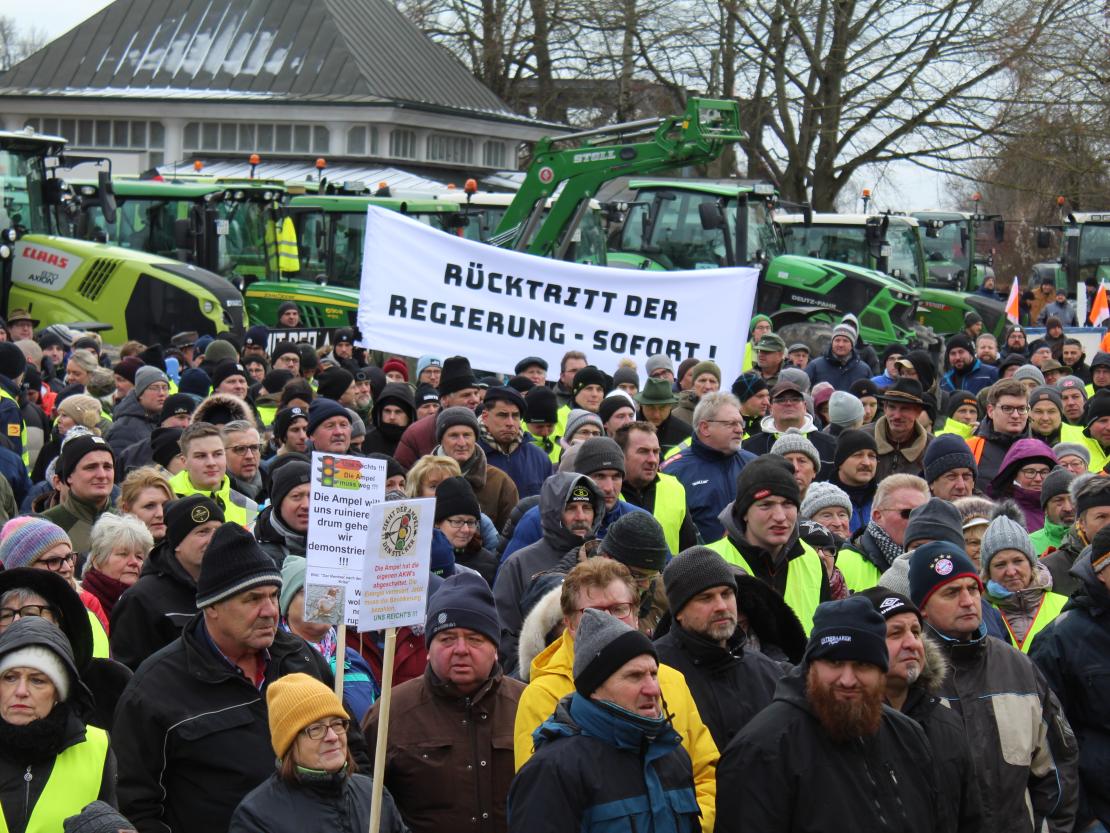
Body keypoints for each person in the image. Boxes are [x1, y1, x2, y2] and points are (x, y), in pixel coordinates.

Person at [112, 523, 336, 833]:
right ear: (212, 606)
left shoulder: (300, 659)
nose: (270, 610)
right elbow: (136, 804)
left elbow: (351, 748)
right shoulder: (155, 688)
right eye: (252, 599)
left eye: (273, 596)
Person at [512, 558, 718, 828]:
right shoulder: (542, 693)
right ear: (570, 623)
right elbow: (545, 801)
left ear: (635, 613)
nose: (608, 620)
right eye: (593, 612)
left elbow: (705, 773)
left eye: (619, 609)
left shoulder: (671, 680)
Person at [714, 596, 939, 833]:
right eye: (834, 662)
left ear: (881, 672)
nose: (847, 679)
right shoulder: (762, 751)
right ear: (811, 667)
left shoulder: (908, 737)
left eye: (863, 665)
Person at [908, 541, 1079, 833]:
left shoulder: (1018, 667)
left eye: (972, 589)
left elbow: (1057, 768)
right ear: (922, 608)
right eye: (951, 592)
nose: (967, 601)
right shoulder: (909, 673)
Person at [363, 573, 522, 833]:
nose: (461, 649)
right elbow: (364, 805)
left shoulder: (528, 705)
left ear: (495, 648)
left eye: (474, 639)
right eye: (447, 639)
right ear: (428, 648)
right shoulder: (390, 714)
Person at [857, 587, 983, 833]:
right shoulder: (846, 724)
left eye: (916, 632)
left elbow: (971, 819)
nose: (912, 643)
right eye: (895, 633)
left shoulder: (946, 722)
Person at [230, 672, 406, 833]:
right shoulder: (257, 816)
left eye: (337, 724)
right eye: (316, 729)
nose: (332, 736)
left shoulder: (372, 793)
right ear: (288, 743)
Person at [654, 546, 785, 749]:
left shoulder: (766, 671)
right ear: (679, 610)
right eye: (706, 598)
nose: (721, 606)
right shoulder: (653, 672)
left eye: (726, 594)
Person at [0, 617, 117, 831]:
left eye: (37, 680)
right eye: (9, 677)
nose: (21, 691)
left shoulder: (96, 746)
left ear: (58, 693)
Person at [1031, 526, 1110, 833]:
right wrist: (1086, 818)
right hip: (1099, 810)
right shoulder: (1060, 638)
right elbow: (1051, 739)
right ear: (1100, 571)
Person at [707, 455, 830, 634]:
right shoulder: (709, 562)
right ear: (744, 513)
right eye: (766, 505)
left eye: (788, 504)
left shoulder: (812, 560)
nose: (780, 516)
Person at [493, 472, 604, 669]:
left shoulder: (605, 560)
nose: (581, 516)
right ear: (553, 512)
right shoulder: (518, 564)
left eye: (586, 508)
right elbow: (504, 634)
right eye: (571, 508)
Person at [108, 495, 224, 670]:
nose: (214, 539)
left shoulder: (230, 587)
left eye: (218, 531)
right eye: (203, 532)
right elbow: (130, 673)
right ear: (177, 543)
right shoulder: (140, 598)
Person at [662, 392, 757, 542]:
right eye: (731, 424)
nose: (740, 430)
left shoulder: (754, 465)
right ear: (705, 428)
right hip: (698, 562)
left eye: (741, 423)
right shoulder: (674, 471)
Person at [980, 512, 1068, 653]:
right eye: (1000, 564)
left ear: (1032, 563)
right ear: (988, 573)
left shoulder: (1065, 606)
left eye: (1018, 561)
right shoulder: (980, 614)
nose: (1011, 571)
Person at [836, 474, 929, 593]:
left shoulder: (939, 560)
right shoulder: (842, 563)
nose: (917, 520)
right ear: (878, 516)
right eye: (908, 513)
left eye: (923, 513)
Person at [615, 422, 696, 554]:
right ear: (621, 454)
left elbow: (688, 549)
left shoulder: (674, 488)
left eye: (656, 452)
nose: (653, 459)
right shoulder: (607, 491)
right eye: (643, 451)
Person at [434, 407, 518, 531]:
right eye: (454, 436)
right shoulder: (422, 478)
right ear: (441, 440)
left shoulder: (500, 482)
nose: (462, 443)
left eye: (467, 435)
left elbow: (509, 538)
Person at [741, 381, 837, 478]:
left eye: (795, 399)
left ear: (804, 406)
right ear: (770, 408)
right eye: (781, 400)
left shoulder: (831, 445)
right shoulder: (749, 447)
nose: (788, 403)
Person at [168, 421, 257, 526]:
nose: (211, 463)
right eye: (201, 456)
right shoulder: (166, 500)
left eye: (217, 454)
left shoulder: (248, 506)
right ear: (184, 461)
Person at [40, 434, 118, 553]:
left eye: (107, 467)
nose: (102, 475)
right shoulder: (46, 526)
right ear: (69, 476)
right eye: (91, 467)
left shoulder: (128, 523)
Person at [477, 386, 553, 499]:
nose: (510, 423)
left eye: (515, 416)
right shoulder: (472, 455)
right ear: (485, 416)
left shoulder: (539, 458)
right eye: (503, 415)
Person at [81, 514, 153, 620]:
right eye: (123, 554)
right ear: (97, 561)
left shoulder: (150, 601)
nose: (134, 562)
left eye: (139, 556)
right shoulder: (81, 602)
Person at [861, 378, 932, 479]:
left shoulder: (931, 447)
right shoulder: (862, 438)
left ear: (918, 412)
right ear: (885, 408)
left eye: (905, 408)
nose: (897, 416)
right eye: (892, 407)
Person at [434, 476, 498, 584]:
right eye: (457, 522)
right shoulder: (423, 561)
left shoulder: (488, 564)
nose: (466, 530)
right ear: (437, 523)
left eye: (470, 522)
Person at [988, 438, 1058, 527]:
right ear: (1015, 475)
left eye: (1044, 472)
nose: (1038, 478)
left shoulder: (1066, 508)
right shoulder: (1001, 515)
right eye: (1030, 472)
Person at [254, 459, 310, 567]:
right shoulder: (256, 552)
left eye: (314, 496)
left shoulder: (338, 546)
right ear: (278, 502)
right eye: (296, 496)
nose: (306, 505)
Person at [106, 366, 170, 455]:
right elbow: (120, 465)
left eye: (165, 388)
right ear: (140, 393)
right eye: (154, 388)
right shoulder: (124, 429)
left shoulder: (164, 421)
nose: (161, 393)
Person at [830, 429, 878, 533]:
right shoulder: (820, 497)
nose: (867, 462)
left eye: (872, 456)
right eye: (858, 455)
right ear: (840, 462)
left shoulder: (885, 497)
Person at [805, 323, 872, 391]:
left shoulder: (864, 370)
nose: (840, 344)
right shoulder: (815, 366)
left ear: (852, 344)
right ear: (832, 342)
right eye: (837, 340)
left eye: (845, 341)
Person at [635, 377, 691, 455]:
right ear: (641, 405)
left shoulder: (686, 434)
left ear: (671, 406)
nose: (656, 415)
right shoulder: (627, 429)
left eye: (662, 408)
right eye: (651, 407)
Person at [118, 467, 174, 544]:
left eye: (166, 505)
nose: (160, 514)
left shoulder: (188, 550)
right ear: (126, 510)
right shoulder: (110, 552)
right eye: (149, 506)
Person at [1029, 467, 1075, 555]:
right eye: (1059, 501)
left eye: (1073, 499)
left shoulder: (1093, 538)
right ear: (1046, 508)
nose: (1068, 508)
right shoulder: (1029, 544)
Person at [362, 383, 415, 458]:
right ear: (380, 413)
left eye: (398, 412)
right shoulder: (365, 441)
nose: (392, 417)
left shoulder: (416, 442)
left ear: (409, 416)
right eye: (387, 411)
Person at [923, 433, 978, 501]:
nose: (961, 486)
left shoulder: (988, 510)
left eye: (966, 477)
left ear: (973, 483)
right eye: (951, 477)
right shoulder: (910, 508)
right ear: (931, 484)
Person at [222, 420, 265, 503]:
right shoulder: (217, 492)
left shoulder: (274, 482)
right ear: (222, 454)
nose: (250, 456)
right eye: (240, 449)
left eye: (254, 447)